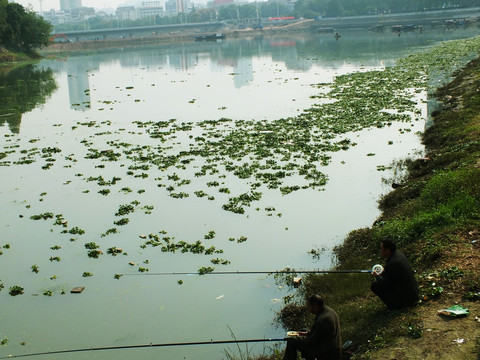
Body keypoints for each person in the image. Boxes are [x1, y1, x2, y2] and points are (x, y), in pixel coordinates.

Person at [283, 294, 342, 360]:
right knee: (303, 330)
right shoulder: (330, 311)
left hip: (326, 353)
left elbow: (311, 341)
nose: (308, 308)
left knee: (291, 341)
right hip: (330, 345)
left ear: (315, 307)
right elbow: (319, 333)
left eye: (309, 306)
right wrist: (305, 333)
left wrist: (298, 338)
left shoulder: (322, 320)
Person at [371, 239, 419, 310]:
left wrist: (377, 276)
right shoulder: (400, 255)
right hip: (414, 294)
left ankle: (395, 306)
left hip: (408, 299)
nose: (380, 251)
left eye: (381, 249)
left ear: (387, 251)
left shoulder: (391, 264)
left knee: (375, 286)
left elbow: (384, 283)